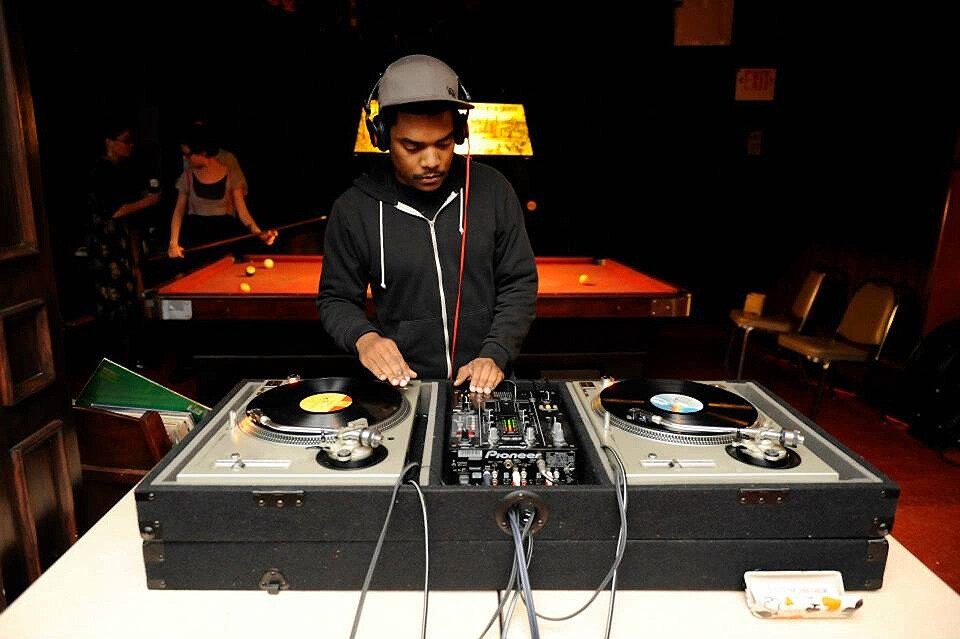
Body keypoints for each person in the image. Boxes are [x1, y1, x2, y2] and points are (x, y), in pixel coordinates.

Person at [318, 54, 537, 393]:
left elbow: (518, 283)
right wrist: (365, 338)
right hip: (402, 388)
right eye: (412, 146)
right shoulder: (353, 209)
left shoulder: (494, 190)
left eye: (443, 143)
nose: (432, 161)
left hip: (486, 384)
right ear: (381, 136)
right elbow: (336, 299)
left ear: (459, 133)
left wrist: (495, 353)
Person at [85, 121, 161, 366]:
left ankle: (132, 358)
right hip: (107, 246)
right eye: (125, 140)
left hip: (122, 242)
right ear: (109, 142)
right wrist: (149, 202)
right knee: (115, 303)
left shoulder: (121, 169)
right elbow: (115, 210)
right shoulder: (102, 171)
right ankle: (118, 361)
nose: (130, 146)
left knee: (129, 300)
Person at [168, 124, 277, 258]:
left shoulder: (231, 175)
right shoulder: (187, 176)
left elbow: (243, 213)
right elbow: (178, 212)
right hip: (196, 240)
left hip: (223, 239)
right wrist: (173, 243)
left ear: (203, 152)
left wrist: (259, 234)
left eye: (188, 154)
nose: (185, 158)